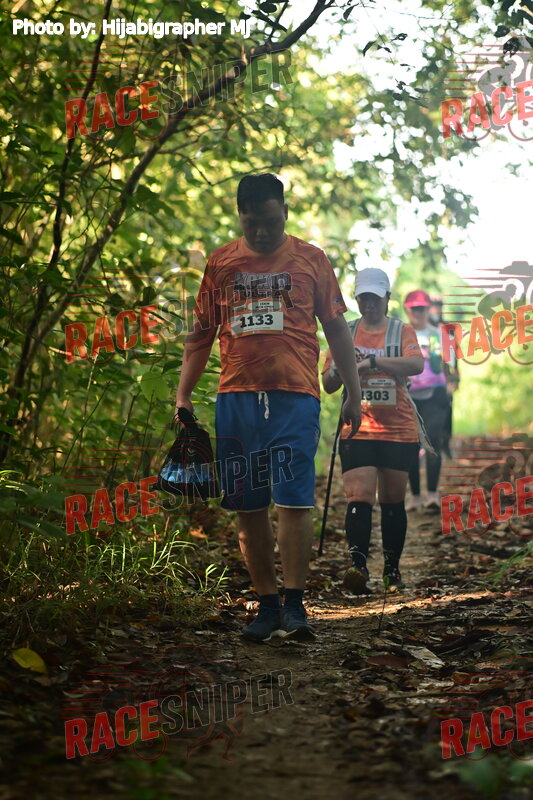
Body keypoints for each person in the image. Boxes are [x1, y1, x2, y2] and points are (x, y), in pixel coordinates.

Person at [175, 173, 362, 642]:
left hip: (295, 396)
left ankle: (295, 605)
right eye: (252, 223)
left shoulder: (311, 259)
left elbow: (337, 329)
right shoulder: (221, 263)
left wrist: (354, 393)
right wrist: (183, 394)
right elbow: (200, 334)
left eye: (271, 223)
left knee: (294, 500)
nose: (261, 232)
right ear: (240, 216)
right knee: (248, 504)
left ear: (286, 213)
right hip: (236, 398)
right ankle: (267, 604)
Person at [322, 269, 423, 594]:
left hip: (398, 428)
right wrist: (342, 367)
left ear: (387, 298)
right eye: (363, 298)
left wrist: (372, 363)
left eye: (375, 298)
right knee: (359, 496)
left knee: (393, 500)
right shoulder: (345, 331)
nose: (369, 304)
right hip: (358, 428)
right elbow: (328, 383)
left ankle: (392, 571)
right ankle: (358, 567)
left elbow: (416, 364)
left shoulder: (401, 330)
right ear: (356, 299)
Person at [404, 290, 457, 511]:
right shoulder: (400, 334)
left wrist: (451, 383)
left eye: (422, 308)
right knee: (410, 446)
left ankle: (433, 494)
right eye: (414, 308)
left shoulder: (440, 334)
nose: (418, 312)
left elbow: (450, 365)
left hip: (435, 396)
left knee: (433, 442)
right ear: (408, 310)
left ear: (428, 309)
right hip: (408, 396)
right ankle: (415, 496)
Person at [429, 296, 459, 458]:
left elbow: (454, 354)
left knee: (447, 409)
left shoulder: (448, 328)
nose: (437, 309)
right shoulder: (424, 327)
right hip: (427, 377)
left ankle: (446, 443)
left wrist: (455, 378)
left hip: (445, 374)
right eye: (434, 305)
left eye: (439, 306)